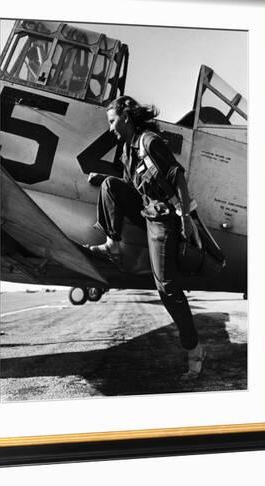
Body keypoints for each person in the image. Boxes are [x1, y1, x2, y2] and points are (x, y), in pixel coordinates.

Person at [88, 95, 206, 379]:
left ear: (126, 118)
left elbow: (178, 177)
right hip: (145, 211)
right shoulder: (127, 150)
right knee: (109, 186)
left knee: (166, 288)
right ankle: (113, 244)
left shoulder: (149, 142)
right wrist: (102, 177)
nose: (111, 128)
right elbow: (130, 187)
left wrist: (186, 220)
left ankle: (194, 349)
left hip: (163, 220)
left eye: (113, 121)